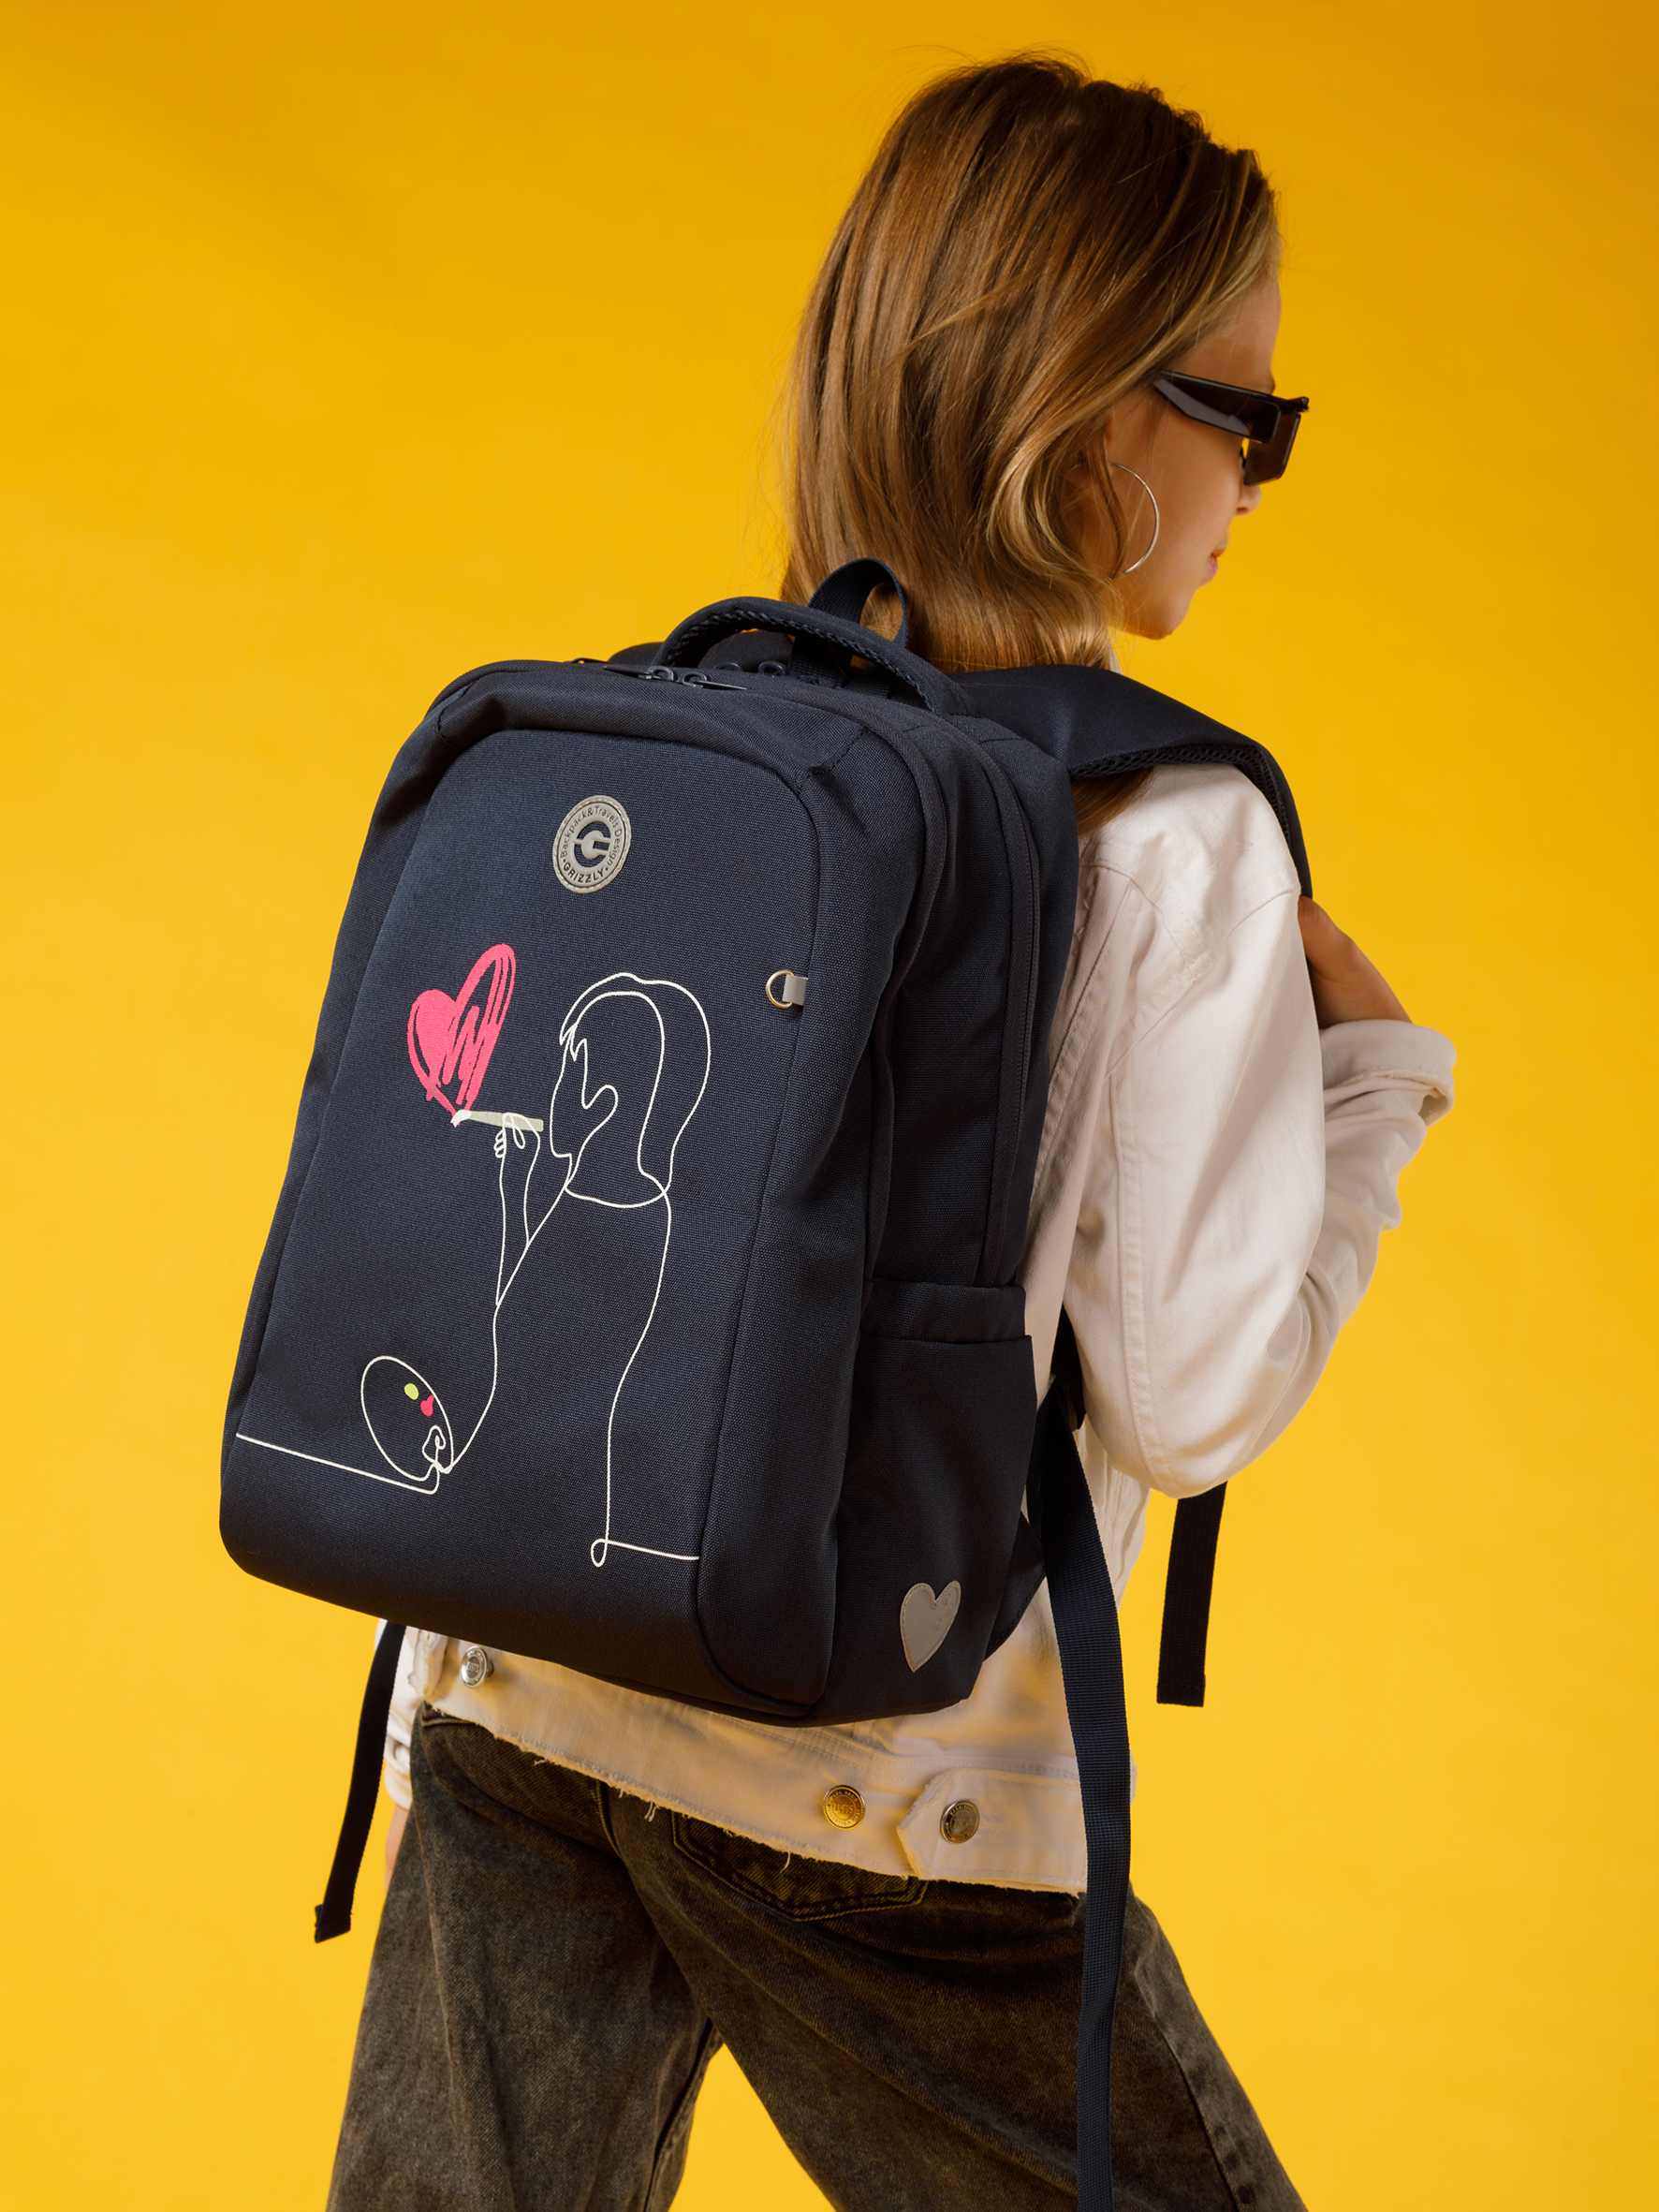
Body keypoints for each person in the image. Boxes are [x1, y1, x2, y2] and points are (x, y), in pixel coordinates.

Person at [329, 56, 1454, 2211]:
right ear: (1092, 427)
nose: (1254, 481)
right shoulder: (1175, 831)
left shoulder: (695, 729)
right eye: (1247, 418)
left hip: (517, 1689)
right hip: (880, 1781)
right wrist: (1371, 1088)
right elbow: (1194, 1394)